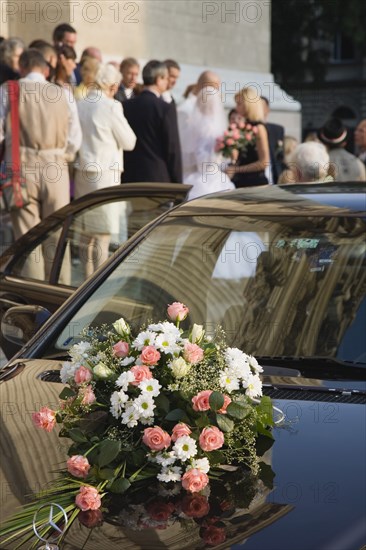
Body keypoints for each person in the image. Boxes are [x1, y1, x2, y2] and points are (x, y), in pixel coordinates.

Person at [75, 63, 136, 276]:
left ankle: (84, 278)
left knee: (86, 233)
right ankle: (96, 284)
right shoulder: (111, 106)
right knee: (102, 234)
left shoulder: (81, 103)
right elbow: (129, 141)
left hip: (83, 172)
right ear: (112, 85)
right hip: (105, 176)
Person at [123, 60, 182, 183]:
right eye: (166, 78)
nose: (167, 82)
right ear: (159, 79)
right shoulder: (165, 108)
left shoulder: (126, 105)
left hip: (129, 177)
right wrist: (178, 182)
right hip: (157, 179)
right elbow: (172, 149)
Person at [179, 76, 235, 199]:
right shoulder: (201, 126)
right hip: (205, 176)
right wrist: (217, 151)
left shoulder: (209, 124)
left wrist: (225, 152)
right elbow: (200, 159)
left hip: (213, 175)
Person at [225, 87, 270, 187]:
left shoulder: (259, 127)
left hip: (255, 183)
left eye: (239, 104)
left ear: (248, 105)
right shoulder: (243, 127)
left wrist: (237, 169)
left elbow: (264, 162)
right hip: (240, 181)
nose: (236, 108)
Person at [260, 96, 285, 184]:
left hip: (274, 176)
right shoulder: (248, 129)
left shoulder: (277, 130)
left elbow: (280, 155)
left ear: (267, 110)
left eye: (261, 107)